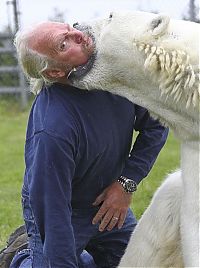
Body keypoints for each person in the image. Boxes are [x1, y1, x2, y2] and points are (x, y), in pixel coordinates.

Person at [1, 21, 168, 268]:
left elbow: (157, 124)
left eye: (68, 28)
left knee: (144, 262)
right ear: (55, 73)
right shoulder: (53, 128)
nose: (77, 35)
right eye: (63, 43)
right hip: (61, 210)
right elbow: (53, 211)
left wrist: (125, 184)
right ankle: (20, 256)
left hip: (108, 201)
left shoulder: (115, 77)